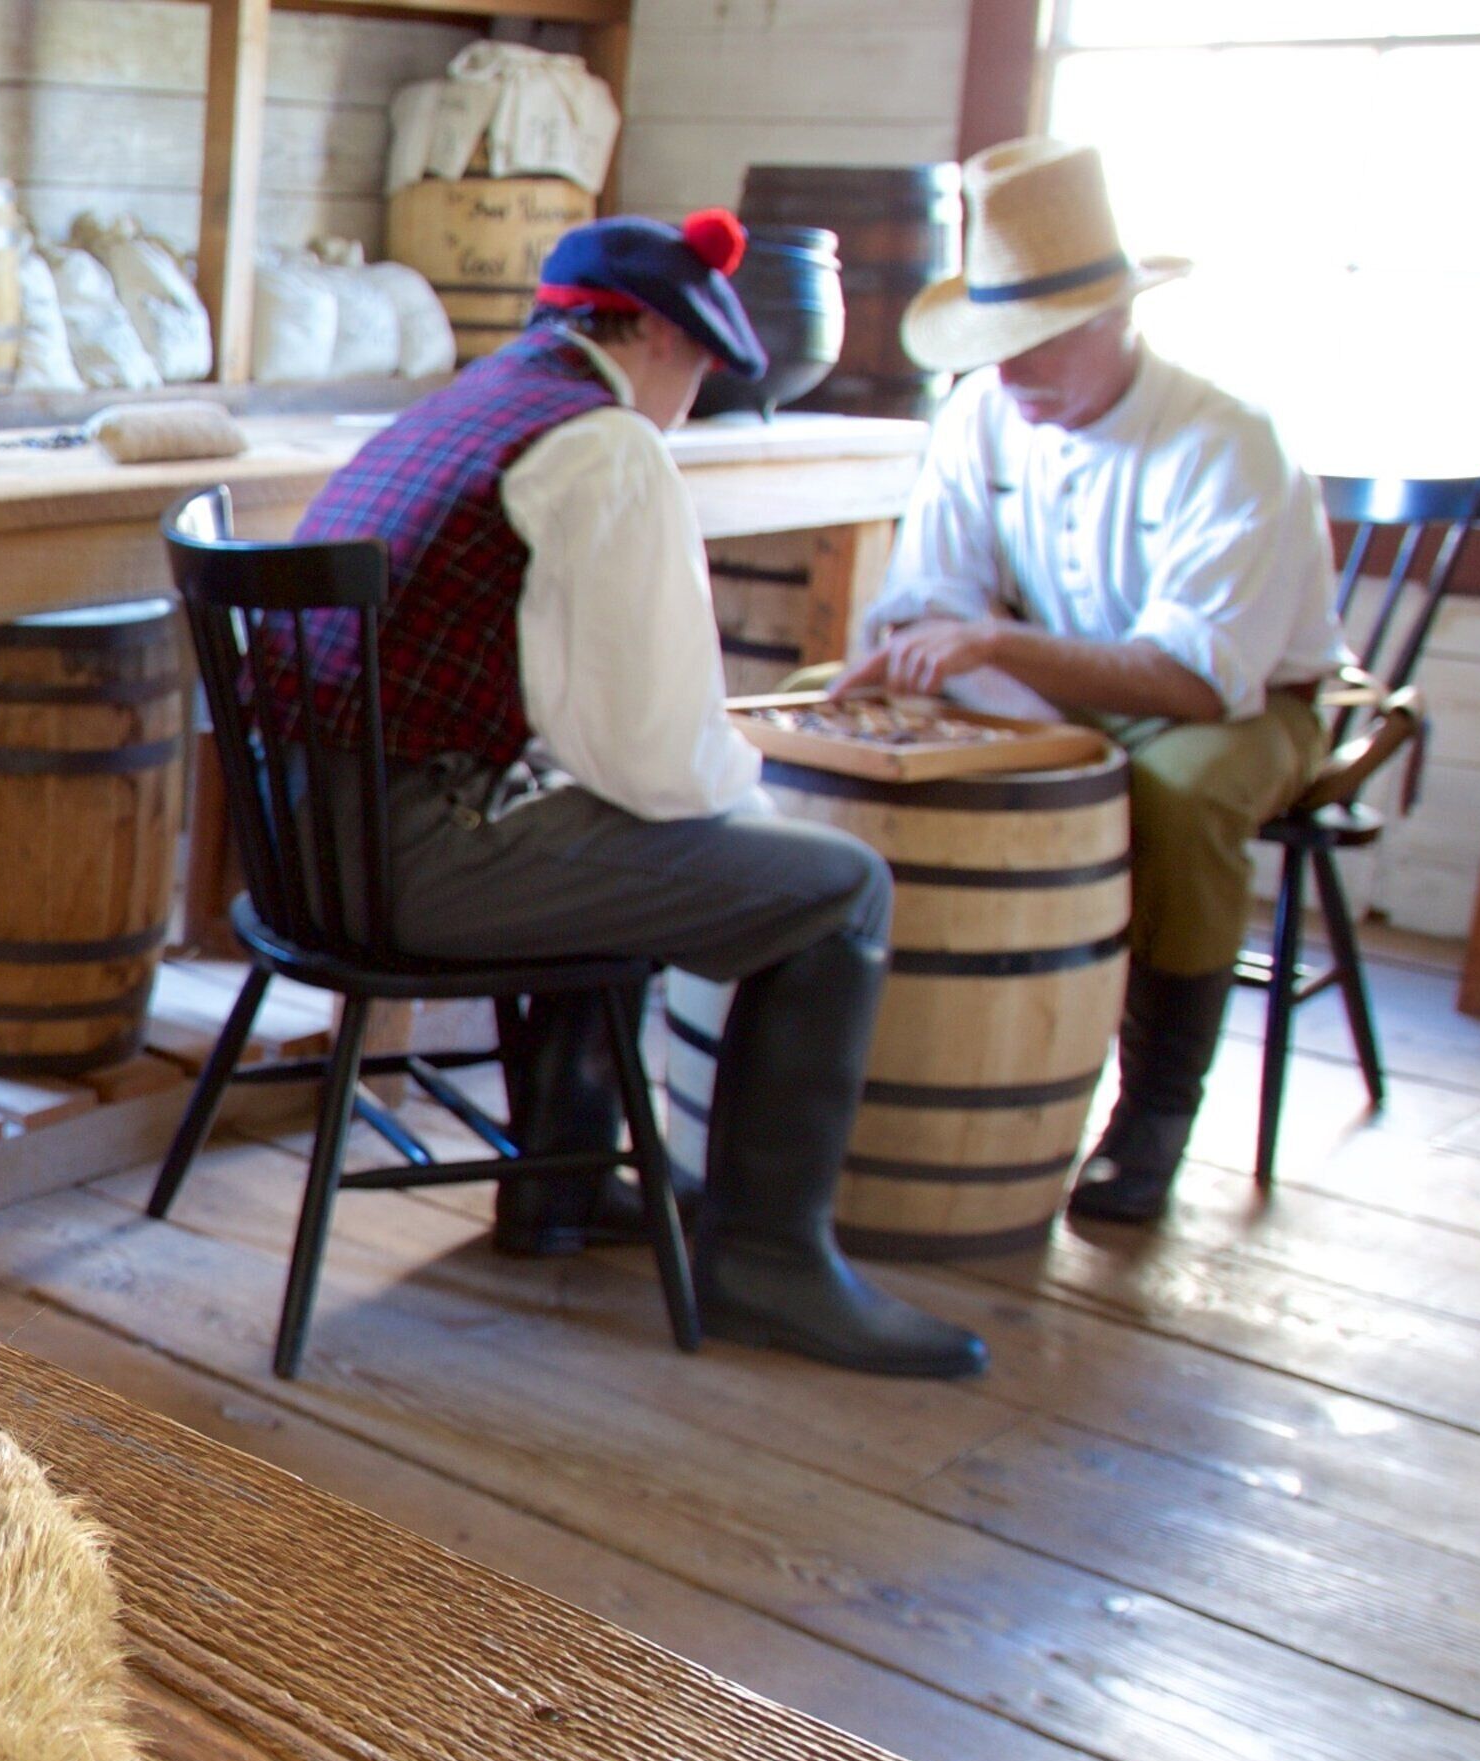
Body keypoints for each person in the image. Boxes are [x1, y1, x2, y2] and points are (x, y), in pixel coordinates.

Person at [285, 209, 987, 1379]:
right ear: (656, 333)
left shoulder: (466, 406)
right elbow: (656, 757)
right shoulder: (602, 444)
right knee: (837, 891)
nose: (698, 389)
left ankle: (560, 1186)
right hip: (409, 865)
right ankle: (771, 1260)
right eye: (703, 360)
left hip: (311, 848)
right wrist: (756, 826)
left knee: (602, 817)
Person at [835, 138, 1345, 1224]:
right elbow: (934, 594)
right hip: (1047, 673)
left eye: (1040, 342)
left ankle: (1154, 1113)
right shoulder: (984, 412)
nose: (1012, 371)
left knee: (1181, 793)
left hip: (1242, 700)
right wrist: (932, 672)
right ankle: (897, 1060)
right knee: (843, 723)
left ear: (1120, 317)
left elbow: (1200, 682)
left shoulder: (1225, 441)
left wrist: (1000, 654)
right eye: (997, 342)